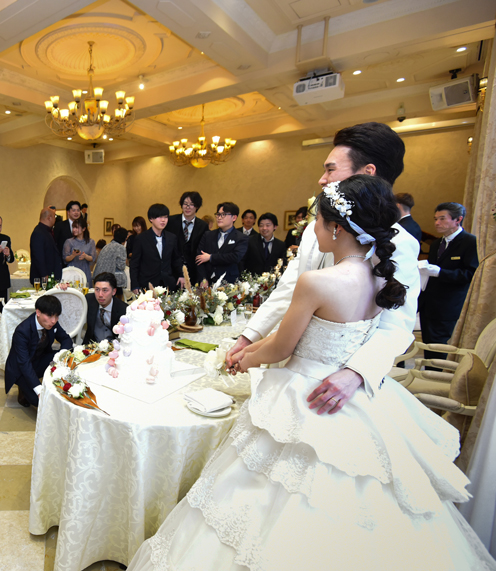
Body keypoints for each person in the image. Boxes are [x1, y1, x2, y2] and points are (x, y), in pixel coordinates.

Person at [128, 175, 496, 571]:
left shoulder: (317, 281)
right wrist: (251, 346)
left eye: (317, 221)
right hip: (353, 400)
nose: (313, 229)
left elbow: (283, 347)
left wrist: (243, 359)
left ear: (336, 228)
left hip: (304, 395)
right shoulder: (381, 277)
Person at [227, 121, 417, 419]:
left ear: (367, 172)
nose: (322, 179)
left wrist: (355, 373)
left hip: (339, 387)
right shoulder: (315, 230)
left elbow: (397, 325)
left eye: (330, 169)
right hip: (292, 368)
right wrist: (249, 337)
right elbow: (289, 288)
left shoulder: (398, 243)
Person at [418, 202, 478, 361]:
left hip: (448, 303)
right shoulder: (436, 244)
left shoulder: (470, 242)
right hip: (428, 302)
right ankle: (428, 371)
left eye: (442, 219)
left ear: (458, 220)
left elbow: (470, 274)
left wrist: (440, 272)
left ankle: (436, 374)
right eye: (435, 219)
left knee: (438, 345)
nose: (437, 223)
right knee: (427, 344)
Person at [4, 294, 73, 408]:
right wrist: (39, 389)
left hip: (39, 359)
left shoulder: (52, 323)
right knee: (41, 402)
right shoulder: (22, 331)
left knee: (68, 354)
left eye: (56, 316)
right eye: (50, 316)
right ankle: (23, 389)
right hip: (21, 369)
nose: (53, 321)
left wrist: (62, 355)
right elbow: (24, 363)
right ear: (38, 312)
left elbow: (66, 339)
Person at [130, 204, 185, 294]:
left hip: (168, 283)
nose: (163, 220)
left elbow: (176, 259)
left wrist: (181, 275)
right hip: (148, 284)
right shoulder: (141, 239)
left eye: (166, 217)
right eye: (159, 217)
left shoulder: (172, 238)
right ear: (151, 219)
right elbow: (134, 263)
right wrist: (134, 284)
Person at [196, 202, 249, 284]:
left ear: (234, 217)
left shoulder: (241, 238)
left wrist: (211, 257)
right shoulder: (208, 235)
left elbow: (235, 257)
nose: (219, 218)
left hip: (229, 282)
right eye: (218, 214)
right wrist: (203, 279)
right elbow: (199, 257)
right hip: (207, 281)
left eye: (223, 215)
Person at [165, 191, 208, 285]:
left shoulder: (203, 226)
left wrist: (203, 277)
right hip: (172, 272)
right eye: (185, 204)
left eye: (191, 204)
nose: (187, 207)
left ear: (197, 206)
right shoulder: (170, 222)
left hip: (194, 272)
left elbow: (203, 251)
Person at [82, 272, 127, 344]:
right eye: (97, 289)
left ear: (114, 291)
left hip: (115, 346)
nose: (100, 295)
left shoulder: (123, 309)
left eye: (105, 290)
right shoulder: (89, 300)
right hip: (92, 345)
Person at [30, 207, 62, 284]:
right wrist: (44, 275)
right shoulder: (38, 232)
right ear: (49, 218)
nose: (55, 219)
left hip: (50, 275)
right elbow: (38, 256)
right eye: (54, 216)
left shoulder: (46, 231)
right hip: (44, 277)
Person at [63, 217, 96, 284]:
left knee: (85, 288)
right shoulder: (69, 242)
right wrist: (73, 255)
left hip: (85, 269)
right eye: (73, 227)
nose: (74, 230)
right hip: (72, 270)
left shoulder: (90, 242)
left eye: (77, 228)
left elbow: (93, 258)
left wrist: (85, 256)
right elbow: (65, 258)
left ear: (84, 229)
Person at [95, 227, 129, 291]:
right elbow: (121, 266)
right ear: (124, 238)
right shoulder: (121, 247)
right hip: (112, 280)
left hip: (100, 277)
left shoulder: (106, 246)